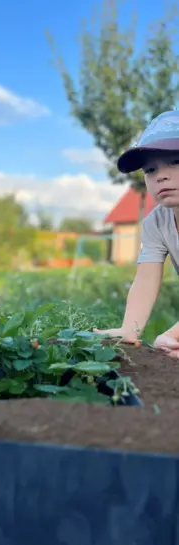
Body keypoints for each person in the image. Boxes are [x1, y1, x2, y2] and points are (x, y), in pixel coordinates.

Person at [95, 109, 179, 359]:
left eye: (176, 161)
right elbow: (145, 279)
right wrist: (130, 329)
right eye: (150, 170)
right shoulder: (156, 223)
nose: (161, 175)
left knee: (167, 342)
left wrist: (174, 334)